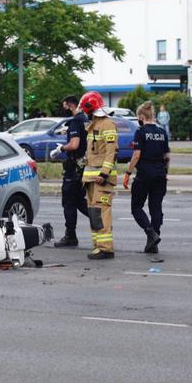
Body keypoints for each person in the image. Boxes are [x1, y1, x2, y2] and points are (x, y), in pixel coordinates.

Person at [123, 101, 170, 253]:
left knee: (136, 207)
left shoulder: (141, 131)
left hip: (144, 175)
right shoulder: (162, 132)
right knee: (156, 208)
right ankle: (153, 243)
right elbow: (167, 156)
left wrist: (128, 173)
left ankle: (150, 233)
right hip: (160, 175)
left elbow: (136, 155)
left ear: (142, 116)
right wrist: (165, 173)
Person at [78, 91, 118, 260]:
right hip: (91, 177)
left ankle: (105, 248)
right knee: (94, 212)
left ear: (90, 108)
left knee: (101, 212)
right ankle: (98, 246)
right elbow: (93, 153)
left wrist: (104, 173)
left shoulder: (107, 124)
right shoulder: (94, 125)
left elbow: (111, 152)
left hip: (102, 178)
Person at [49, 95, 89, 247]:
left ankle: (70, 236)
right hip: (84, 166)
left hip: (74, 168)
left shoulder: (75, 121)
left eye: (64, 105)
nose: (63, 108)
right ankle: (100, 222)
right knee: (79, 201)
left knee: (69, 202)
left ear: (70, 105)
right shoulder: (86, 119)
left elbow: (74, 144)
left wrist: (61, 148)